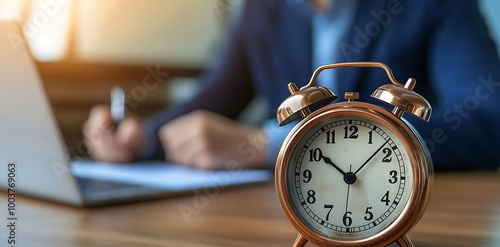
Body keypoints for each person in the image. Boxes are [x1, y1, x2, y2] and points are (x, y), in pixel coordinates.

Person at [83, 0, 500, 171]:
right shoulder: (263, 10)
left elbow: (488, 120)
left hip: (415, 214)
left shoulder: (437, 5)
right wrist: (138, 138)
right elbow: (213, 98)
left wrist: (273, 146)